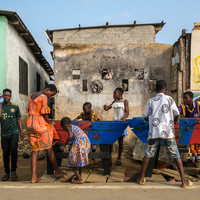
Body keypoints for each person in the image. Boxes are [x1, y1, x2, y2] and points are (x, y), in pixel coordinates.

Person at [138, 80, 193, 188]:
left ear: (156, 89)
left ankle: (141, 178)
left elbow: (144, 116)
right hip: (167, 132)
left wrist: (152, 120)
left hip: (154, 132)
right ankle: (184, 181)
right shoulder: (169, 99)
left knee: (148, 154)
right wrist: (176, 120)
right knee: (176, 155)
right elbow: (176, 113)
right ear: (166, 89)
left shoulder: (151, 101)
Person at [26, 84, 66, 183]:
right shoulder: (43, 97)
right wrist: (49, 122)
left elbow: (29, 109)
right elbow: (44, 113)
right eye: (51, 94)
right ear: (47, 90)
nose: (51, 97)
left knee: (35, 151)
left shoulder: (32, 95)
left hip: (30, 124)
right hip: (39, 125)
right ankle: (57, 171)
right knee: (49, 148)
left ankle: (33, 177)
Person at [0, 89, 24, 181]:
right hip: (4, 134)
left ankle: (14, 171)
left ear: (11, 96)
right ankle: (7, 173)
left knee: (14, 151)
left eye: (8, 95)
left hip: (14, 132)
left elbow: (18, 119)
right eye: (5, 95)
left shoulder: (15, 107)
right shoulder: (0, 106)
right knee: (5, 153)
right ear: (3, 96)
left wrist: (21, 131)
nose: (6, 97)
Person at [59, 117, 91, 184]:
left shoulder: (68, 127)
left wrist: (64, 145)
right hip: (86, 142)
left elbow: (70, 136)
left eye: (62, 127)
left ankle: (79, 178)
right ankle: (78, 175)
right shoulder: (74, 126)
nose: (64, 129)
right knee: (80, 159)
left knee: (71, 159)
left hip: (80, 143)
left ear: (65, 125)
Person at [103, 87, 129, 166]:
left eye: (115, 93)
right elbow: (108, 108)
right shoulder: (114, 101)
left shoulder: (125, 101)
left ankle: (119, 158)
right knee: (111, 141)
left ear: (120, 94)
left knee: (120, 142)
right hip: (114, 124)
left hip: (120, 124)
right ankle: (109, 156)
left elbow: (127, 112)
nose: (113, 95)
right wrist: (105, 107)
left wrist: (124, 118)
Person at [178, 91, 200, 162]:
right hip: (189, 127)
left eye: (186, 98)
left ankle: (199, 155)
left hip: (198, 126)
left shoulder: (198, 104)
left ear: (191, 98)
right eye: (183, 98)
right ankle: (193, 155)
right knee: (191, 141)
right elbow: (177, 111)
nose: (184, 100)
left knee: (199, 141)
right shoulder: (183, 106)